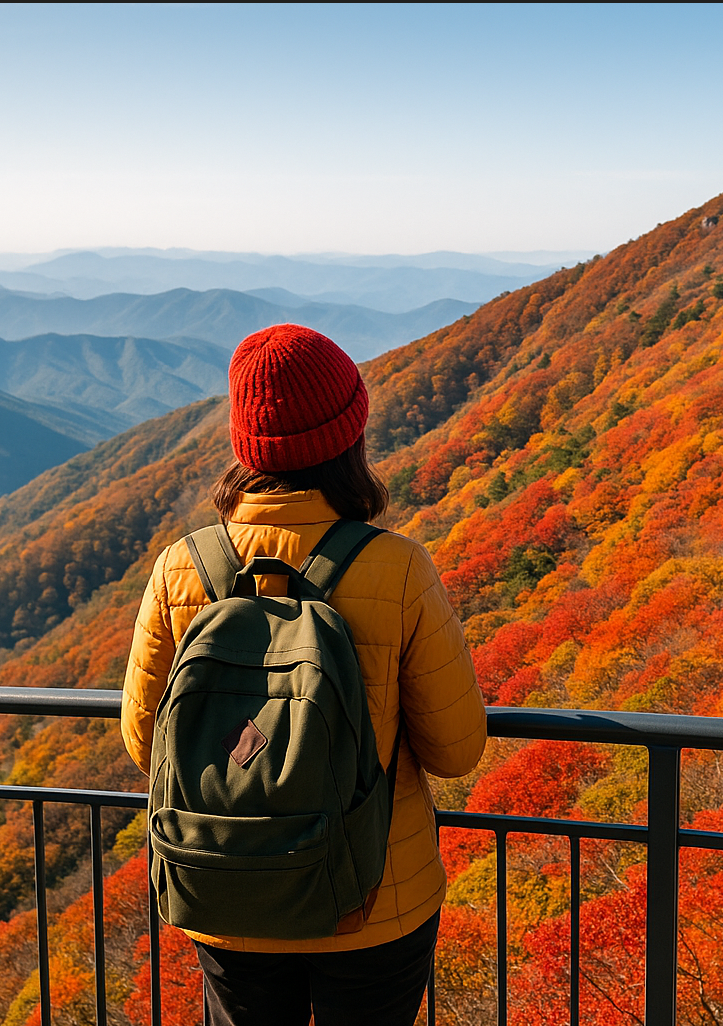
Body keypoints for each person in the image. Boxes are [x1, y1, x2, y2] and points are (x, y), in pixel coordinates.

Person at [121, 323, 487, 1026]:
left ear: (245, 441)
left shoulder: (181, 568)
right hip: (374, 901)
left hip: (224, 887)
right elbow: (456, 750)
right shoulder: (397, 567)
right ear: (350, 435)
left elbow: (146, 744)